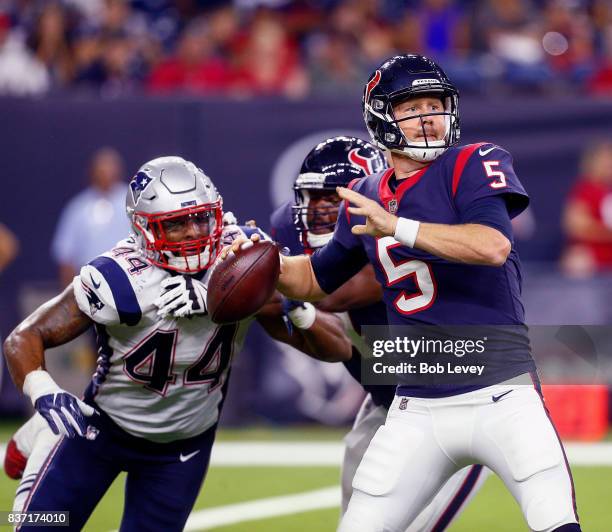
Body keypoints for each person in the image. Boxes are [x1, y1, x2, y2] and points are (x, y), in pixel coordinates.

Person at [225, 55, 581, 531]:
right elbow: (315, 280)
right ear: (381, 118)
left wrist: (397, 225)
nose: (429, 116)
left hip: (502, 394)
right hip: (416, 410)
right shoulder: (366, 191)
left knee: (557, 523)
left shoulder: (471, 163)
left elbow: (492, 244)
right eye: (413, 108)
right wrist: (257, 260)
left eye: (436, 105)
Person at [3, 156, 351, 531]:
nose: (191, 232)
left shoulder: (242, 260)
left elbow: (339, 348)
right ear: (144, 229)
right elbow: (25, 336)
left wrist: (283, 301)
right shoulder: (117, 278)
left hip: (181, 447)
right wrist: (45, 392)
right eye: (175, 224)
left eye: (201, 218)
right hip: (100, 430)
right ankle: (44, 427)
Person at [270, 135, 489, 531]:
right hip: (387, 404)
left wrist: (271, 277)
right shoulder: (289, 227)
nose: (319, 210)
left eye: (332, 199)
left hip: (455, 410)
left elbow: (340, 290)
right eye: (311, 198)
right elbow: (325, 340)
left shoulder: (402, 232)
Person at [50, 147, 131, 288]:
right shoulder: (78, 207)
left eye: (110, 167)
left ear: (119, 170)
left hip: (131, 282)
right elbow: (65, 255)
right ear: (92, 171)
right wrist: (72, 295)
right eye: (101, 168)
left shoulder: (134, 202)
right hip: (90, 287)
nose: (105, 173)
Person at [561, 139, 612, 276]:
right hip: (593, 256)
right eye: (605, 161)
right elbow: (576, 225)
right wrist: (606, 233)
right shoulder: (586, 190)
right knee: (578, 260)